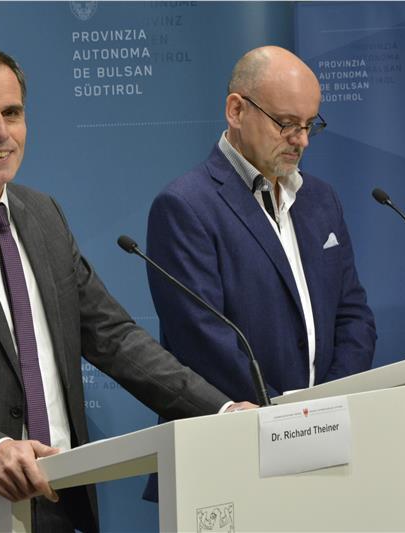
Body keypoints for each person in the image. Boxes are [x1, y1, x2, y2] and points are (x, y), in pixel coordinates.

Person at [0, 44, 253, 533]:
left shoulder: (43, 215)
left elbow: (114, 338)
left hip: (60, 499)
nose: (0, 132)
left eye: (12, 113)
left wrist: (220, 410)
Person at [143, 45, 376, 500]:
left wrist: (324, 413)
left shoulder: (321, 199)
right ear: (236, 110)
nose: (301, 140)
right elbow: (204, 341)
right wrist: (288, 425)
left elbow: (354, 316)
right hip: (232, 455)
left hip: (327, 449)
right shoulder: (185, 206)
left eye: (309, 125)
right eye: (286, 123)